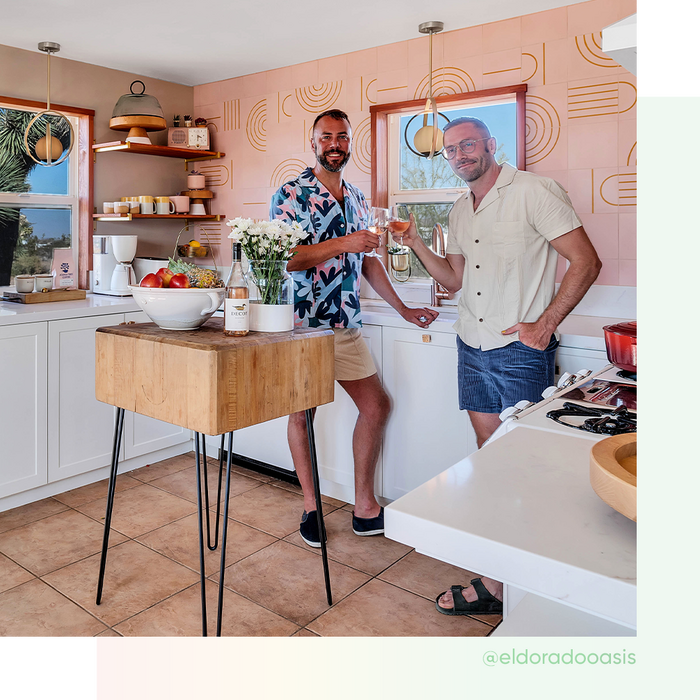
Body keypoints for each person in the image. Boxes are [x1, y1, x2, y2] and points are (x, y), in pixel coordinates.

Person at [390, 116, 601, 616]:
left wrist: (545, 323)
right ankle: (503, 579)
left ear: (489, 145)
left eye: (468, 144)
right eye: (450, 150)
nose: (459, 154)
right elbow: (455, 281)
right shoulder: (461, 211)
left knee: (525, 469)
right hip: (471, 346)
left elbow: (586, 262)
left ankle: (522, 582)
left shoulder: (534, 191)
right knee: (490, 461)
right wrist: (417, 242)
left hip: (518, 352)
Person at [270, 109, 439, 548]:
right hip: (301, 325)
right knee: (302, 414)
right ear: (313, 143)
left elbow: (367, 261)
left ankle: (364, 507)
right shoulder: (291, 193)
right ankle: (311, 507)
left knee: (376, 406)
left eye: (342, 137)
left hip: (346, 323)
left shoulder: (360, 198)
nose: (334, 144)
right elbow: (287, 258)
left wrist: (403, 308)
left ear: (350, 143)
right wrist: (345, 242)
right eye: (326, 136)